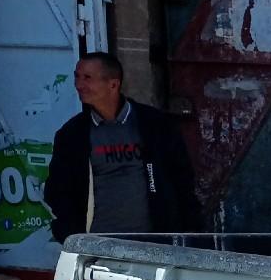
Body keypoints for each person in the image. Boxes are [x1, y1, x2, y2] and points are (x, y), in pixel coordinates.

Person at [44, 52, 201, 243]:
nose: (79, 85)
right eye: (77, 76)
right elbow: (57, 191)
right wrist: (71, 233)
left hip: (156, 244)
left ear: (113, 84)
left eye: (87, 78)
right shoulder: (72, 135)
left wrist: (188, 229)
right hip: (98, 247)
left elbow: (182, 179)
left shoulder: (154, 124)